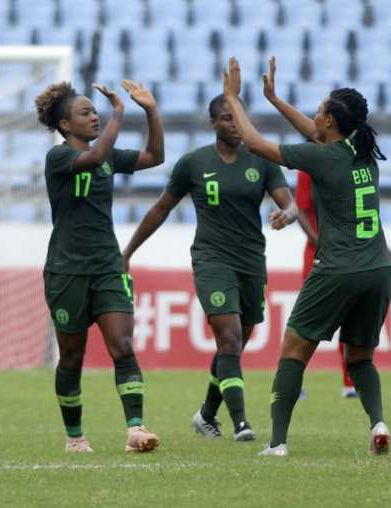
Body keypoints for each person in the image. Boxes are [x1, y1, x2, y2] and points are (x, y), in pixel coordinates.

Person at [223, 56, 391, 456]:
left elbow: (254, 143)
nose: (314, 114)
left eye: (319, 110)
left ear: (331, 121)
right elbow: (314, 134)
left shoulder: (322, 158)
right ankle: (378, 423)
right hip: (379, 268)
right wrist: (276, 99)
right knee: (361, 357)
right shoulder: (364, 154)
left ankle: (278, 443)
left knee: (294, 350)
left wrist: (234, 99)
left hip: (338, 268)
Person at [122, 94, 298, 442]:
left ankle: (205, 415)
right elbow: (161, 209)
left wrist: (287, 215)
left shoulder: (261, 160)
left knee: (235, 344)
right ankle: (241, 423)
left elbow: (289, 203)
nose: (235, 125)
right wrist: (127, 251)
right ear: (213, 123)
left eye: (239, 118)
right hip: (211, 260)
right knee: (229, 338)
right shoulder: (193, 163)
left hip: (251, 262)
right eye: (227, 119)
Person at [36, 80, 164, 453]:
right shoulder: (57, 158)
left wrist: (151, 111)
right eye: (86, 112)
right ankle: (75, 436)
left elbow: (155, 156)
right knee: (72, 358)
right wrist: (119, 114)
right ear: (64, 125)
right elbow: (91, 159)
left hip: (108, 265)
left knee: (122, 345)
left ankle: (136, 430)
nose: (95, 117)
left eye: (96, 111)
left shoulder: (105, 154)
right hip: (66, 271)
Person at [295, 171, 357, 399]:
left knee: (350, 316)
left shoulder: (349, 161)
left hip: (347, 252)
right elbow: (300, 210)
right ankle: (293, 380)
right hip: (317, 253)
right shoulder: (307, 168)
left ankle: (350, 382)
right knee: (306, 318)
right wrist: (321, 242)